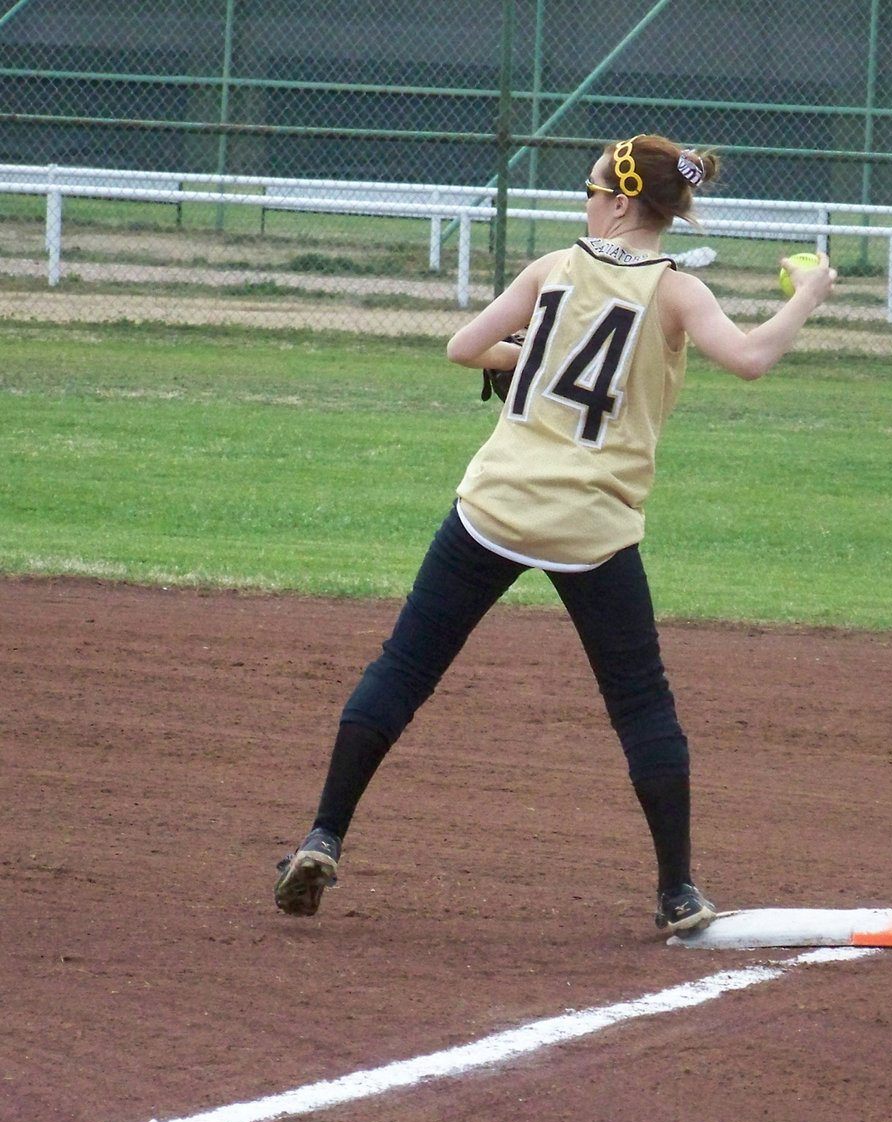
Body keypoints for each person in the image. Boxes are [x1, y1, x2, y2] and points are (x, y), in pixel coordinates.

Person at [274, 133, 836, 934]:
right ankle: (677, 892)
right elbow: (747, 359)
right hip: (591, 527)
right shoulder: (676, 292)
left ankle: (323, 834)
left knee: (403, 671)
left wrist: (532, 354)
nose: (585, 200)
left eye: (590, 188)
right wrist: (808, 294)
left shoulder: (552, 269)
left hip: (495, 507)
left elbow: (464, 349)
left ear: (617, 202)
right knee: (641, 704)